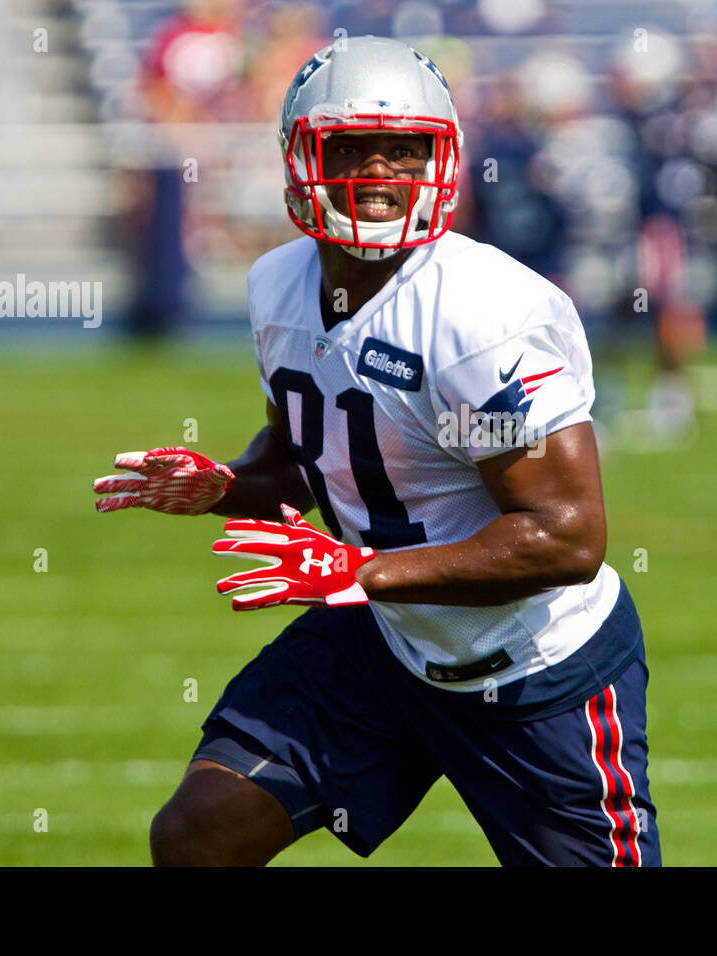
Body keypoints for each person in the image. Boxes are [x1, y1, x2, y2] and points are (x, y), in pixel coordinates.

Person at [92, 36, 659, 867]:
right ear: (299, 157)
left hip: (535, 665)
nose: (383, 172)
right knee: (196, 835)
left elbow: (567, 533)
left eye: (406, 149)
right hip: (386, 641)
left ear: (445, 159)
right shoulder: (278, 285)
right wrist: (226, 485)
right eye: (354, 148)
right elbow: (303, 458)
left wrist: (358, 574)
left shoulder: (482, 314)